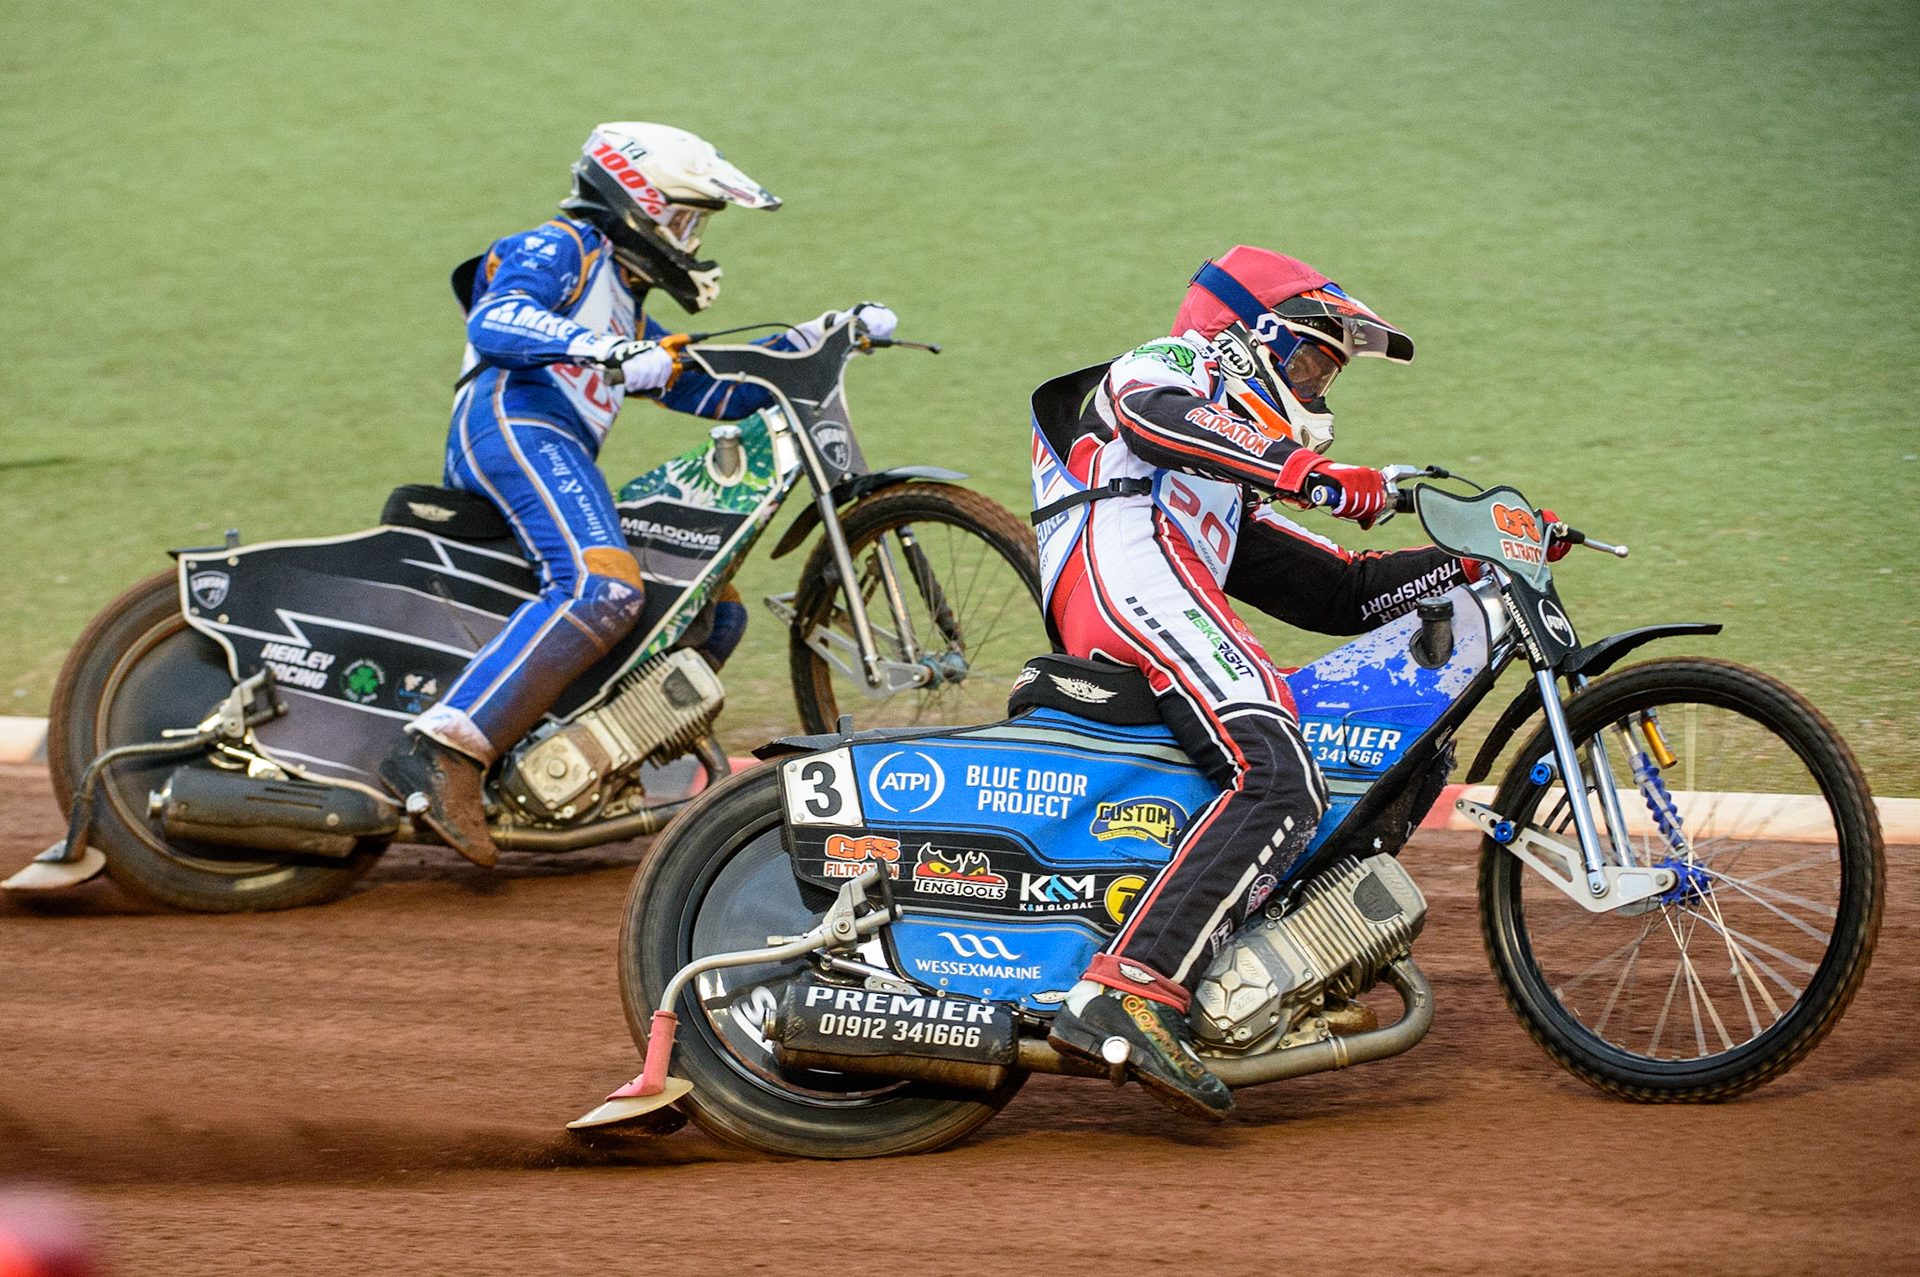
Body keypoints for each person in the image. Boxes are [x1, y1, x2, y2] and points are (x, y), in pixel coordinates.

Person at [1029, 245, 1561, 1119]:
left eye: (1328, 374)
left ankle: (1244, 966)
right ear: (1246, 338)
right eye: (1312, 359)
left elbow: (1340, 591)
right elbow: (1155, 412)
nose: (1319, 391)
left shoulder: (1216, 494)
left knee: (1372, 753)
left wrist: (1475, 557)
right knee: (1277, 767)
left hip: (1156, 581)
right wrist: (1305, 471)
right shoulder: (1171, 363)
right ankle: (1125, 991)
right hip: (1120, 572)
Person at [381, 122, 897, 866]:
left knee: (711, 611)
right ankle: (442, 750)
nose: (689, 240)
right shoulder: (559, 247)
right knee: (603, 587)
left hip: (550, 437)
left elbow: (715, 390)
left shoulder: (623, 303)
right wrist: (606, 349)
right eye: (683, 219)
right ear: (636, 203)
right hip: (512, 423)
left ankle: (570, 758)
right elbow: (496, 317)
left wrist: (819, 341)